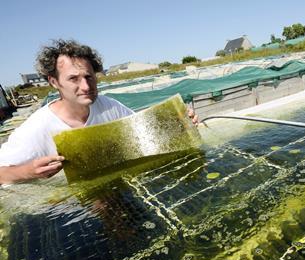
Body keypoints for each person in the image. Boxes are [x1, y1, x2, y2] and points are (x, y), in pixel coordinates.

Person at [0, 39, 198, 185]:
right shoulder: (36, 129)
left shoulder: (108, 106)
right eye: (73, 79)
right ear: (54, 82)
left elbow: (143, 131)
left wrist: (179, 121)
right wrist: (27, 171)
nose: (86, 86)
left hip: (116, 187)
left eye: (89, 76)